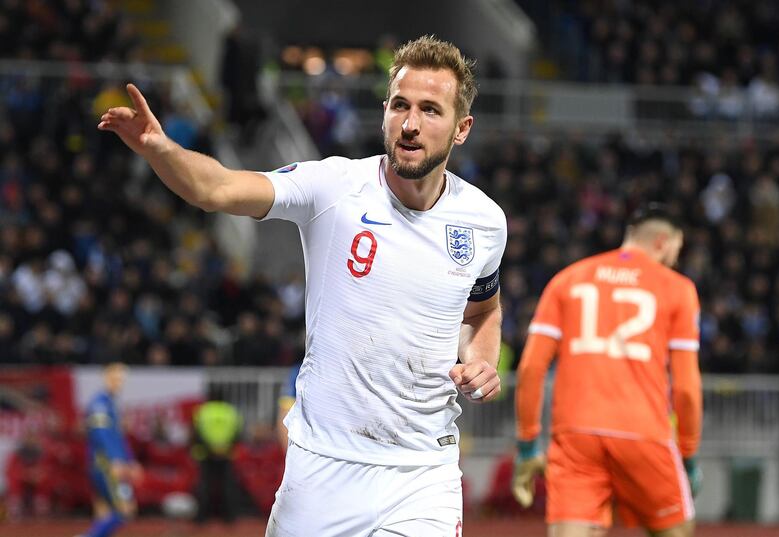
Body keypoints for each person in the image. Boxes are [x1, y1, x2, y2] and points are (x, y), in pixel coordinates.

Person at [98, 35, 507, 536]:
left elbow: (482, 311)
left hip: (422, 472)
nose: (411, 124)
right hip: (322, 470)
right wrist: (161, 150)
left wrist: (482, 358)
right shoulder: (332, 187)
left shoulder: (484, 221)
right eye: (400, 105)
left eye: (430, 109)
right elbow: (216, 188)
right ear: (384, 112)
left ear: (461, 128)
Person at [512, 204, 703, 537]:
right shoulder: (678, 289)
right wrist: (688, 454)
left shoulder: (567, 279)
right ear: (662, 241)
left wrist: (528, 444)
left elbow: (530, 368)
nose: (676, 257)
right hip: (644, 433)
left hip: (575, 435)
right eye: (677, 248)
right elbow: (686, 386)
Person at [79, 362, 141, 537]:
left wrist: (130, 461)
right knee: (125, 509)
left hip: (107, 463)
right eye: (115, 377)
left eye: (122, 378)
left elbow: (118, 437)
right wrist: (116, 460)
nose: (119, 381)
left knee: (104, 511)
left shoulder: (111, 403)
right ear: (105, 377)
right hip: (105, 464)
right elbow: (101, 433)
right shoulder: (100, 403)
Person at [190, 386, 242, 524]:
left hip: (205, 454)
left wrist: (210, 448)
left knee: (204, 486)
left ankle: (202, 517)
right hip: (226, 454)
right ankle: (229, 516)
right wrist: (225, 448)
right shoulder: (230, 411)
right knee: (227, 486)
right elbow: (237, 433)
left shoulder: (202, 411)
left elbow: (196, 432)